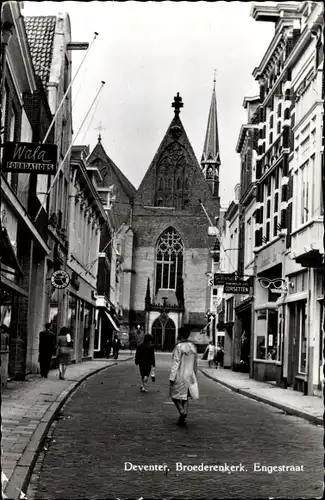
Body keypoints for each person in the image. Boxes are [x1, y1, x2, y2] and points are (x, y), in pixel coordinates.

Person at [169, 327, 199, 426]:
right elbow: (195, 363)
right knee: (185, 397)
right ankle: (182, 419)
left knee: (174, 396)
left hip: (180, 374)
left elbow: (176, 363)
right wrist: (195, 375)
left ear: (180, 335)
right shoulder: (193, 346)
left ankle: (182, 411)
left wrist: (171, 378)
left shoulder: (179, 347)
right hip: (190, 374)